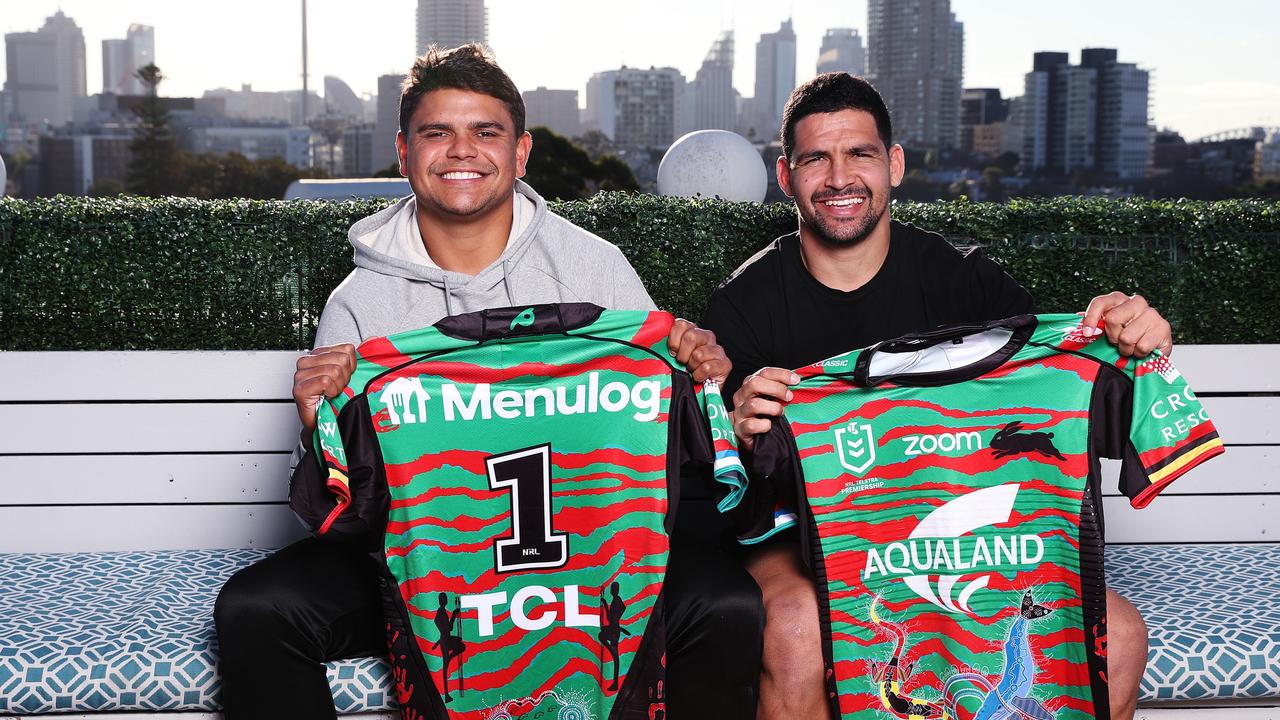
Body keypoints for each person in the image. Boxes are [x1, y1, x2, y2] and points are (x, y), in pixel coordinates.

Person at [214, 44, 762, 719]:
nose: (461, 151)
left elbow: (663, 448)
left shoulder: (595, 268)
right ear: (404, 149)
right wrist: (315, 422)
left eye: (485, 132)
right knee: (253, 609)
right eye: (437, 132)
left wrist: (695, 374)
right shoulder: (359, 303)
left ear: (522, 151)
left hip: (590, 552)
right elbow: (342, 512)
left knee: (728, 601)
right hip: (429, 564)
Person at [701, 72, 1171, 720]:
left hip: (961, 531)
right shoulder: (743, 305)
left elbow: (1060, 396)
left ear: (893, 164)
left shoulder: (969, 283)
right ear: (786, 176)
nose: (840, 177)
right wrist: (734, 422)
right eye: (816, 158)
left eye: (859, 153)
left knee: (1118, 636)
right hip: (804, 534)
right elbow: (714, 473)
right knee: (796, 627)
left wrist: (1134, 343)